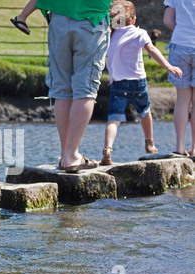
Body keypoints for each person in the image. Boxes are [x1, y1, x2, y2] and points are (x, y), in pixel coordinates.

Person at [33, 0, 112, 173]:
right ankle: (72, 155)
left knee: (62, 90)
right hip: (90, 19)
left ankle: (65, 155)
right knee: (85, 89)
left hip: (59, 19)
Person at [101, 0, 183, 165]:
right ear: (133, 19)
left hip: (118, 83)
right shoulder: (139, 33)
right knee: (145, 111)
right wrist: (168, 65)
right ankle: (149, 143)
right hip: (138, 82)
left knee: (114, 118)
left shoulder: (110, 35)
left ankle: (107, 149)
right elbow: (151, 49)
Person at [163, 0, 195, 157]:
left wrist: (181, 32)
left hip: (180, 44)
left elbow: (167, 20)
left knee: (182, 99)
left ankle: (180, 147)